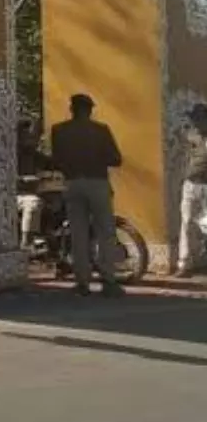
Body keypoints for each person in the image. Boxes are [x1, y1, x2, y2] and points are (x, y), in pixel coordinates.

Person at [49, 93, 124, 297]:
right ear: (90, 110)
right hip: (97, 182)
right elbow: (116, 159)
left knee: (78, 233)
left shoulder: (59, 131)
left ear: (71, 109)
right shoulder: (101, 130)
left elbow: (55, 160)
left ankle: (82, 282)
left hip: (72, 183)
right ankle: (108, 280)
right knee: (105, 232)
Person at [175, 104, 207, 277]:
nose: (195, 122)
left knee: (205, 224)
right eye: (194, 119)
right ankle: (184, 263)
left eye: (198, 119)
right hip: (191, 184)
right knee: (186, 223)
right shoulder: (191, 134)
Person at [15, 118, 51, 248]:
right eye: (28, 137)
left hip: (35, 192)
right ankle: (26, 242)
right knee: (32, 203)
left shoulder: (37, 156)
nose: (33, 140)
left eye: (34, 137)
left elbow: (53, 164)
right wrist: (23, 179)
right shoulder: (11, 156)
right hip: (16, 194)